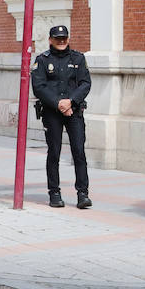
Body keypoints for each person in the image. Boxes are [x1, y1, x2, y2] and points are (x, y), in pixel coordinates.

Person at [30, 24, 91, 209]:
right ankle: (54, 193)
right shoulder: (42, 60)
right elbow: (39, 87)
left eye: (64, 38)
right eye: (58, 38)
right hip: (52, 113)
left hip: (74, 111)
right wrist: (59, 104)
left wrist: (71, 102)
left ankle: (83, 193)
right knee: (54, 153)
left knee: (79, 152)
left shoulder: (78, 58)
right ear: (50, 40)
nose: (62, 41)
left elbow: (85, 83)